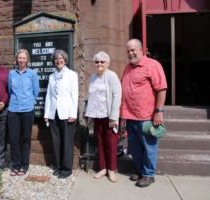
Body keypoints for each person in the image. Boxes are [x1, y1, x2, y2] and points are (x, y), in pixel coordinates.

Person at [120, 39, 167, 187]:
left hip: (146, 116)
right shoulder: (127, 68)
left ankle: (148, 174)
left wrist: (158, 111)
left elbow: (161, 88)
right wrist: (122, 114)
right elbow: (124, 92)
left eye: (133, 50)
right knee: (134, 147)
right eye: (128, 51)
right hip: (130, 116)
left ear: (142, 50)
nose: (130, 53)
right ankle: (140, 170)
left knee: (149, 147)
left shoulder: (153, 65)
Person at [85, 51, 122, 182]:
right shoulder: (93, 77)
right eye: (97, 62)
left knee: (111, 142)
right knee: (100, 141)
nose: (99, 64)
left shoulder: (112, 76)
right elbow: (91, 95)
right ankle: (103, 168)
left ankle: (111, 169)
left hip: (109, 115)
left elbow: (117, 95)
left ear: (107, 63)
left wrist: (114, 116)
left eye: (102, 62)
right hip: (97, 114)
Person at [44, 49, 78, 179]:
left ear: (65, 60)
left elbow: (74, 95)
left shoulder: (72, 75)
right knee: (56, 141)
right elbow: (49, 95)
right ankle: (58, 166)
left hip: (67, 113)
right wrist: (47, 113)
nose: (58, 61)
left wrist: (73, 113)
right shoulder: (51, 76)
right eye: (56, 59)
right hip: (54, 113)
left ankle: (66, 169)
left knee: (67, 142)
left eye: (61, 58)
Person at [7, 49, 39, 176]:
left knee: (26, 138)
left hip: (27, 110)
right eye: (19, 58)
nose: (21, 60)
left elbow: (35, 92)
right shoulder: (11, 74)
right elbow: (10, 91)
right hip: (13, 110)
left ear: (27, 60)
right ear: (16, 59)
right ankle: (15, 164)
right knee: (14, 139)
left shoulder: (32, 74)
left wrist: (29, 102)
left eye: (23, 58)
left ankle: (24, 165)